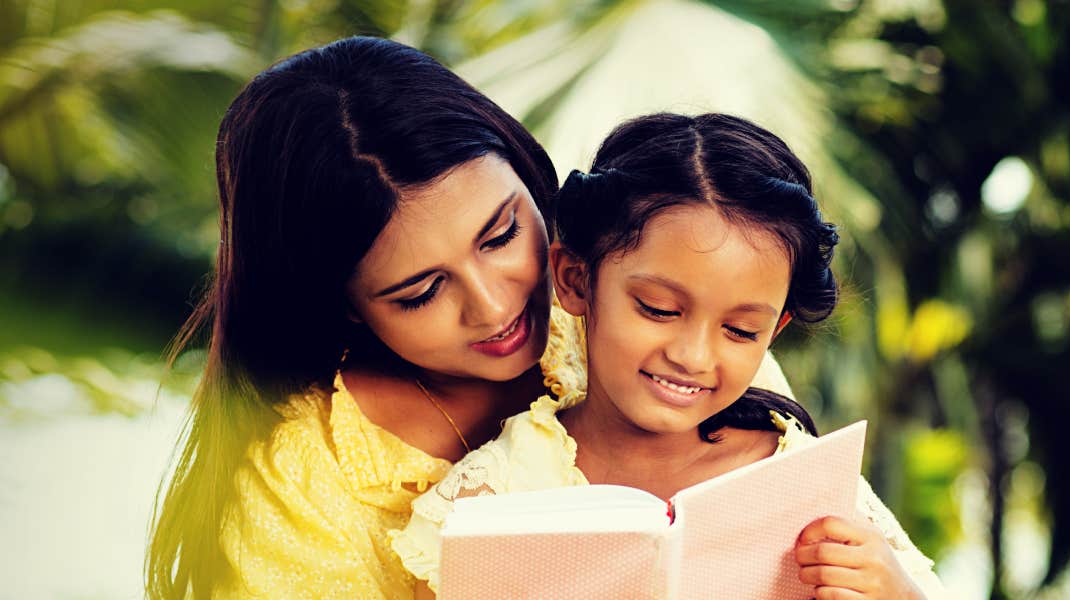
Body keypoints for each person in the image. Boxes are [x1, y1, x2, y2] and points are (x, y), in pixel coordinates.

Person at [145, 38, 795, 598]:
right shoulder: (302, 484)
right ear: (343, 304)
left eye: (501, 235)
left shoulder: (654, 311)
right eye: (421, 292)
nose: (495, 306)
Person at [392, 113, 948, 599]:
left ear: (773, 332)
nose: (692, 355)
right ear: (576, 279)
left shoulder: (802, 480)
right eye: (658, 309)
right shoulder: (490, 497)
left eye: (739, 329)